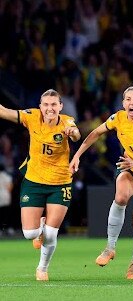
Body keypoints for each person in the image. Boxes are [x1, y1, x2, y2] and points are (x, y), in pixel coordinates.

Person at [69, 86, 133, 280]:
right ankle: (110, 248)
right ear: (123, 103)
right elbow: (95, 133)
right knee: (120, 196)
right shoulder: (117, 118)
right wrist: (77, 155)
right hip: (129, 168)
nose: (132, 103)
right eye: (128, 99)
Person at [0, 89, 81, 281]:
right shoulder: (31, 116)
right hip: (33, 181)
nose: (50, 108)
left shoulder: (66, 121)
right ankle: (39, 228)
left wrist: (73, 133)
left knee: (51, 234)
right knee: (30, 234)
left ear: (60, 106)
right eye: (46, 104)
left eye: (54, 104)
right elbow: (4, 112)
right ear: (40, 106)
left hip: (60, 183)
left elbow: (76, 134)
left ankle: (42, 268)